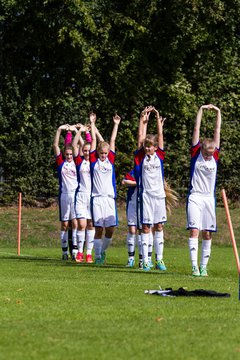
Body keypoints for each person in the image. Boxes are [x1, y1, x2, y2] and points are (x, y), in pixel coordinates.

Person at [187, 104, 221, 277]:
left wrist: (218, 112)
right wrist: (200, 109)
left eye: (211, 153)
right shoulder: (196, 154)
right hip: (195, 197)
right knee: (195, 230)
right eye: (207, 153)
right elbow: (196, 128)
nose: (209, 156)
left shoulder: (215, 154)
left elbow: (217, 130)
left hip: (209, 198)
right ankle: (194, 266)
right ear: (201, 149)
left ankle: (203, 266)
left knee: (207, 233)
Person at [134, 106, 167, 271]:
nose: (148, 149)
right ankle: (146, 261)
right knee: (146, 227)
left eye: (150, 146)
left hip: (159, 196)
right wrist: (143, 120)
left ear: (155, 148)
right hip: (146, 196)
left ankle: (159, 259)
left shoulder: (159, 156)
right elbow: (140, 137)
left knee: (159, 226)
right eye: (146, 146)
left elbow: (160, 136)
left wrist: (158, 119)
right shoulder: (141, 157)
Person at [89, 113, 121, 264]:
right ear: (97, 153)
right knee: (99, 229)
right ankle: (97, 257)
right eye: (101, 153)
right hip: (97, 199)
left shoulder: (111, 161)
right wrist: (92, 123)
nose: (103, 155)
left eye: (105, 153)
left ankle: (102, 252)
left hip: (109, 199)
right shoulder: (94, 162)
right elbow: (94, 139)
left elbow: (113, 140)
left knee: (110, 230)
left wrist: (116, 124)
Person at [72, 116, 104, 263]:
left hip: (92, 197)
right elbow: (73, 146)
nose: (85, 152)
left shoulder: (94, 161)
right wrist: (79, 131)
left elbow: (97, 143)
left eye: (87, 150)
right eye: (84, 150)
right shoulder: (79, 162)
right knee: (81, 224)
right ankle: (79, 252)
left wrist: (92, 125)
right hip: (81, 195)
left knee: (91, 225)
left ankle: (89, 254)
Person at [53, 124, 78, 260]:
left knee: (74, 223)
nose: (69, 156)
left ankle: (74, 251)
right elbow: (56, 146)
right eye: (67, 154)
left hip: (76, 196)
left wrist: (77, 131)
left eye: (70, 154)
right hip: (64, 196)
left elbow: (77, 145)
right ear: (64, 155)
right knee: (64, 224)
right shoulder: (61, 163)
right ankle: (64, 252)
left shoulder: (77, 162)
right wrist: (59, 130)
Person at [121, 170, 143, 268]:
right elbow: (124, 182)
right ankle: (131, 258)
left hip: (143, 204)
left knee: (142, 231)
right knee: (132, 229)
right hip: (132, 203)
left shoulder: (148, 170)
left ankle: (142, 259)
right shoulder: (134, 171)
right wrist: (137, 183)